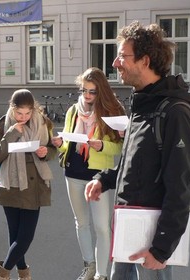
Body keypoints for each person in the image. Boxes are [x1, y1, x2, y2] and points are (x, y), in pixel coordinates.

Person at [85, 21, 190, 280]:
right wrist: (104, 179)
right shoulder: (143, 103)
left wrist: (160, 249)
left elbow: (180, 187)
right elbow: (134, 163)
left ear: (145, 61)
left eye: (122, 56)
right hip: (127, 227)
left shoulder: (175, 113)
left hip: (150, 237)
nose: (115, 63)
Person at [51, 67, 125, 280]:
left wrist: (101, 145)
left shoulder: (112, 110)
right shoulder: (74, 110)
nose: (87, 96)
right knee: (81, 222)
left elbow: (120, 147)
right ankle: (89, 265)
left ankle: (101, 274)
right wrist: (60, 143)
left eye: (92, 91)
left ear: (101, 91)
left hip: (100, 177)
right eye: (84, 90)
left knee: (102, 227)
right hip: (73, 172)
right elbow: (67, 142)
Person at [0, 89, 56, 280]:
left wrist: (46, 153)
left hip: (34, 185)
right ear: (12, 109)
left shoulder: (42, 122)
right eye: (19, 113)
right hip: (10, 185)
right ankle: (24, 275)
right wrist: (10, 134)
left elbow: (53, 149)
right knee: (15, 236)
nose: (23, 117)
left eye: (27, 113)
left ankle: (2, 274)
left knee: (25, 237)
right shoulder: (4, 124)